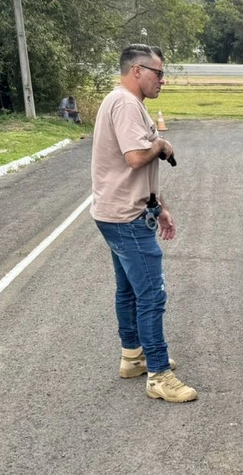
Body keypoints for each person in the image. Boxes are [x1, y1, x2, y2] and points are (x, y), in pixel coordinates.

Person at [89, 43, 196, 403]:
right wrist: (162, 144)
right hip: (126, 217)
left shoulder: (123, 103)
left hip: (118, 211)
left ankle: (133, 357)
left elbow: (136, 170)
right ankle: (159, 375)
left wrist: (160, 206)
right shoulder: (125, 104)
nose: (162, 80)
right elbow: (136, 157)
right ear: (137, 71)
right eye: (158, 73)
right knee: (151, 293)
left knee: (129, 290)